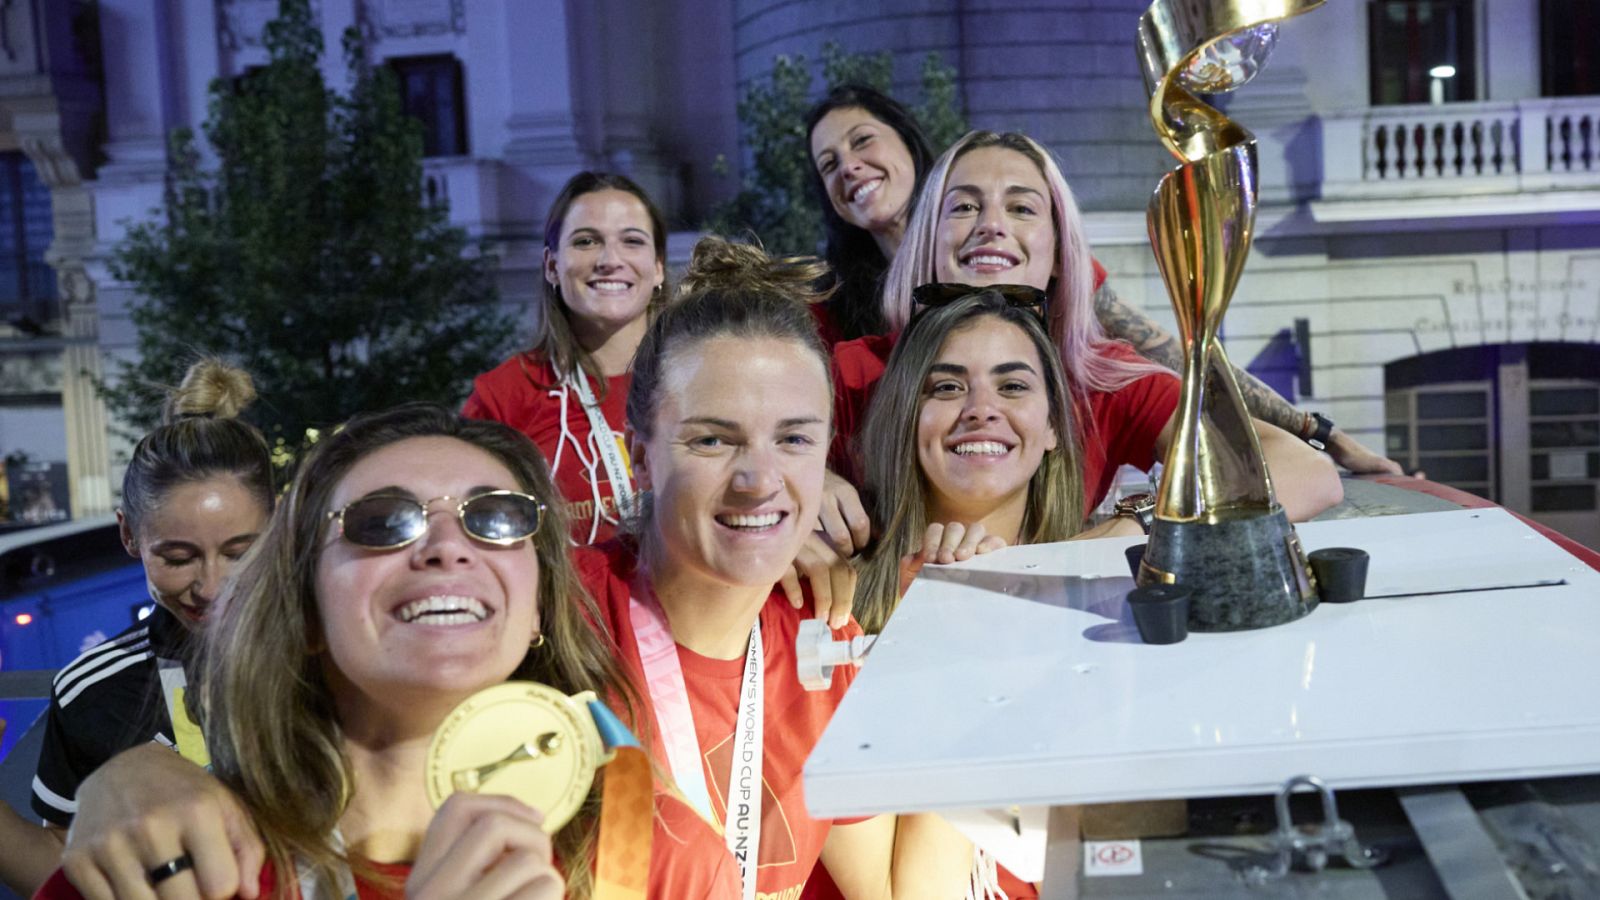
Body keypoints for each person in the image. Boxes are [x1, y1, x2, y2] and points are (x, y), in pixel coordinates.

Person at [37, 404, 740, 900]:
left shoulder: (655, 857)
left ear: (537, 610)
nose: (445, 547)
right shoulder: (170, 863)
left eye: (496, 517)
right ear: (306, 610)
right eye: (382, 522)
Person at [575, 235, 972, 898]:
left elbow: (894, 893)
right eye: (712, 439)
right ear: (640, 456)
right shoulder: (563, 615)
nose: (759, 479)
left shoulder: (824, 638)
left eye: (793, 438)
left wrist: (963, 669)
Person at [806, 89, 1402, 475]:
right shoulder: (848, 346)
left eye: (862, 141)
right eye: (827, 163)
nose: (849, 166)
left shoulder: (1106, 383)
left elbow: (1176, 356)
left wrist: (1319, 432)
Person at [0, 360, 274, 899]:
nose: (211, 586)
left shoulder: (340, 657)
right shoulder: (95, 689)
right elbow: (66, 862)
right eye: (177, 557)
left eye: (241, 552)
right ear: (129, 535)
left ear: (281, 522)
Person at [463, 172, 668, 545]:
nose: (609, 260)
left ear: (658, 268)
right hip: (566, 603)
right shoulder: (504, 397)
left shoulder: (704, 378)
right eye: (586, 241)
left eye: (632, 241)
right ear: (552, 266)